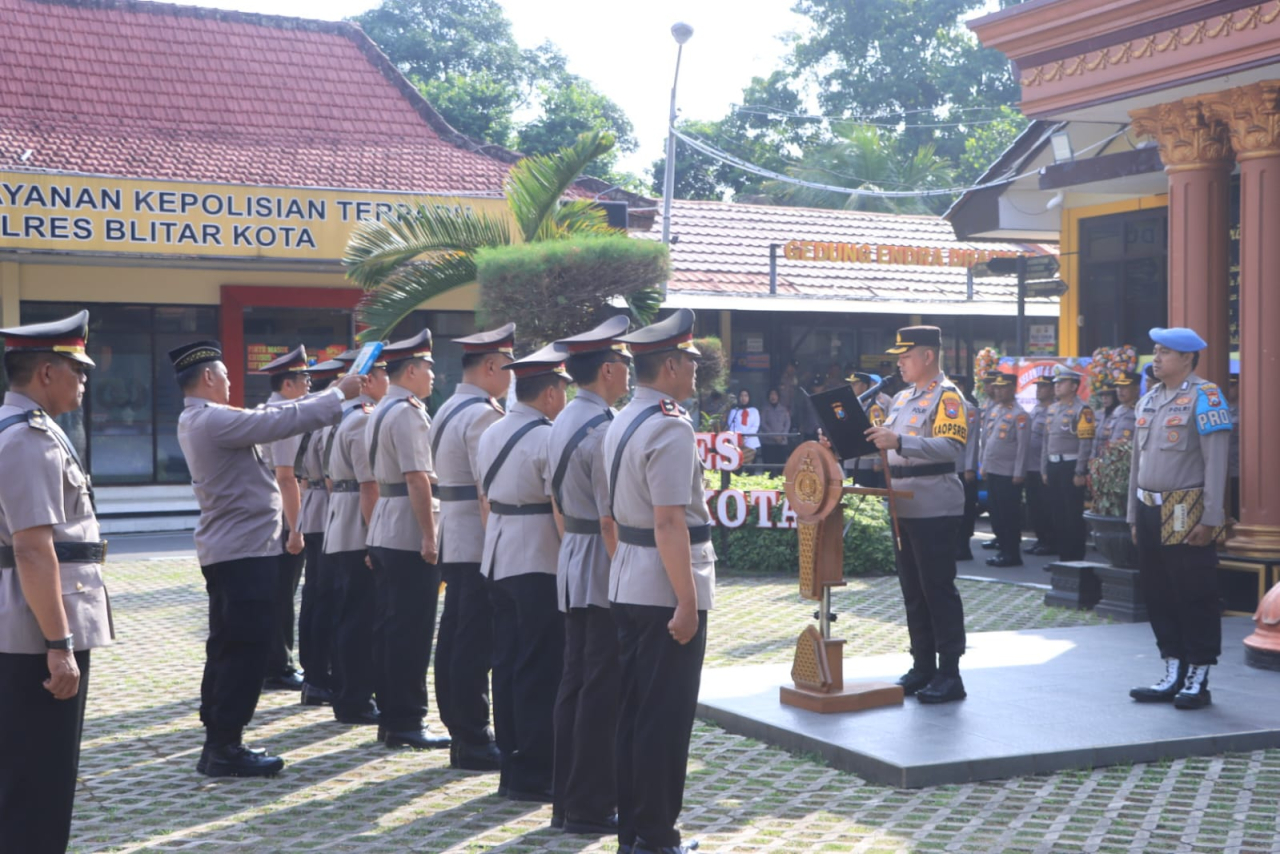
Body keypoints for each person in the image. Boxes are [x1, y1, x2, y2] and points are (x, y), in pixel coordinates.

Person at [172, 339, 362, 776]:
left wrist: (325, 396)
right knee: (244, 649)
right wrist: (337, 395)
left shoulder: (203, 418)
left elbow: (273, 415)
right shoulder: (211, 419)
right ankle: (225, 746)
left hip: (237, 549)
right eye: (224, 375)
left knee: (229, 645)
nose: (229, 382)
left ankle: (220, 738)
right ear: (208, 377)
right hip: (243, 552)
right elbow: (276, 419)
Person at [0, 310, 113, 853]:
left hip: (30, 624)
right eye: (78, 369)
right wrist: (59, 645)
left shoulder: (27, 429)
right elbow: (31, 548)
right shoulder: (28, 439)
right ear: (46, 372)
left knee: (27, 771)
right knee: (39, 778)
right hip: (35, 631)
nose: (85, 380)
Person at [605, 308, 713, 854]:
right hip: (664, 587)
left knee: (634, 714)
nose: (695, 370)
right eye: (689, 361)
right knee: (663, 720)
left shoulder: (623, 417)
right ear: (670, 366)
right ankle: (655, 836)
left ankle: (635, 832)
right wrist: (687, 603)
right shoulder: (669, 425)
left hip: (629, 578)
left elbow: (613, 516)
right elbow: (669, 522)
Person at [548, 316, 632, 835]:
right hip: (600, 562)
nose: (628, 371)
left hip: (574, 557)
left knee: (576, 683)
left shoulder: (564, 418)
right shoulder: (602, 429)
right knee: (600, 688)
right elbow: (609, 519)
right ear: (607, 369)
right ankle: (591, 806)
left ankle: (567, 800)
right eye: (624, 363)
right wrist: (624, 577)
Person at [478, 342, 572, 802]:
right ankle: (536, 771)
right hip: (538, 556)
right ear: (551, 393)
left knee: (507, 664)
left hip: (499, 553)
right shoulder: (548, 437)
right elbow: (558, 507)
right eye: (563, 390)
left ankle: (512, 767)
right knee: (539, 667)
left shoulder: (492, 430)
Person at [864, 325, 968, 704]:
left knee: (937, 588)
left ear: (928, 356)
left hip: (934, 503)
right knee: (912, 590)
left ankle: (950, 673)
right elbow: (885, 445)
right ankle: (922, 665)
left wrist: (901, 441)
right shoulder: (902, 398)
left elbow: (951, 445)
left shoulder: (947, 396)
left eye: (906, 356)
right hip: (902, 503)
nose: (900, 363)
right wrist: (842, 444)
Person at [1127, 328, 1229, 710]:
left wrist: (1212, 518)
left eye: (1165, 352)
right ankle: (1172, 669)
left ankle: (1197, 676)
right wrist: (1132, 516)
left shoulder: (1206, 396)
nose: (1156, 358)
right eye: (1155, 350)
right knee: (1158, 593)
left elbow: (1216, 462)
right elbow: (1137, 464)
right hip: (1148, 508)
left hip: (1185, 509)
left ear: (1187, 358)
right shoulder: (1149, 400)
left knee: (1194, 594)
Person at [429, 323, 513, 772]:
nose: (512, 377)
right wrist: (498, 550)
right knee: (474, 643)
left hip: (454, 534)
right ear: (491, 366)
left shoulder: (448, 407)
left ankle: (463, 732)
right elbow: (488, 492)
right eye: (508, 367)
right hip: (477, 539)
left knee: (456, 637)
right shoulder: (483, 415)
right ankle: (473, 735)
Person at [364, 329, 450, 751]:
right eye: (428, 368)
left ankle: (391, 717)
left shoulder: (381, 407)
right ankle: (407, 720)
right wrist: (430, 537)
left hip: (385, 524)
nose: (433, 376)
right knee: (411, 633)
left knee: (389, 629)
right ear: (411, 370)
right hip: (408, 530)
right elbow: (417, 479)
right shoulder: (409, 413)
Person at [322, 347, 387, 727]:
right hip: (356, 528)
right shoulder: (363, 419)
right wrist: (373, 538)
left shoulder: (344, 415)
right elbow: (369, 485)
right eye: (386, 374)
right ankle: (355, 700)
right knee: (360, 619)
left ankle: (347, 695)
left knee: (347, 615)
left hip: (341, 521)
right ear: (370, 380)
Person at [259, 345, 312, 692]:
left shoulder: (268, 410)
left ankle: (273, 663)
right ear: (288, 384)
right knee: (281, 594)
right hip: (281, 516)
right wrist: (296, 528)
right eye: (304, 379)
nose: (309, 385)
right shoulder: (284, 416)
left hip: (268, 514)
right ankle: (277, 666)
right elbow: (286, 476)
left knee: (276, 593)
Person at [295, 358, 345, 707]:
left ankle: (314, 676)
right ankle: (319, 676)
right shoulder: (330, 420)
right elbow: (330, 477)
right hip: (327, 508)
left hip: (314, 507)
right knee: (326, 597)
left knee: (315, 595)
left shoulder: (315, 418)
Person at [1039, 369, 1095, 562]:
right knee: (1057, 513)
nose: (1057, 386)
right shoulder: (1053, 408)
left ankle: (1075, 558)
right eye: (1056, 383)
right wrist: (1044, 468)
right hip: (1053, 465)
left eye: (1061, 383)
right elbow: (1046, 441)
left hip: (1070, 466)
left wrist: (1080, 470)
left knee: (1072, 515)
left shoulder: (1082, 409)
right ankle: (1063, 557)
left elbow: (1085, 443)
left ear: (1073, 386)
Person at [980, 372, 1029, 567]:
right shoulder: (995, 410)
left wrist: (1019, 472)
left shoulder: (1020, 414)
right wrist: (984, 465)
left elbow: (1023, 447)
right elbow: (987, 441)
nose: (998, 391)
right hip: (993, 469)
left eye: (1002, 388)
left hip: (1008, 473)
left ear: (1012, 389)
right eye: (997, 388)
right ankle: (1002, 549)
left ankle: (1012, 554)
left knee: (1009, 515)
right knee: (996, 513)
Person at [1024, 376, 1057, 556]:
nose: (1039, 390)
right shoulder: (1035, 410)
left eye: (1043, 387)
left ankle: (1050, 541)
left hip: (1043, 467)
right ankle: (1040, 539)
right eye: (1038, 386)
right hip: (1030, 466)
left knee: (1047, 507)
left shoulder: (1054, 410)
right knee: (1034, 507)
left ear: (1052, 390)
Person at [951, 375, 980, 562]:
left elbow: (972, 441)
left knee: (965, 508)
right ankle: (953, 545)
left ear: (961, 387)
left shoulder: (969, 410)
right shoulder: (946, 408)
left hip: (963, 468)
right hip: (949, 466)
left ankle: (963, 547)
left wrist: (970, 467)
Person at [847, 371, 887, 488]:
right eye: (851, 384)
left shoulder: (873, 406)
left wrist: (878, 462)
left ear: (865, 386)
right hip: (851, 461)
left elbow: (879, 432)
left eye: (855, 384)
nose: (851, 387)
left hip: (866, 464)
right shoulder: (851, 404)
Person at [1093, 372, 1139, 459]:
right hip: (1111, 460)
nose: (1120, 390)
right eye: (1118, 387)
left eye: (1125, 387)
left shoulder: (1139, 411)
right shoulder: (1117, 410)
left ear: (1136, 389)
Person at [725, 389, 761, 469]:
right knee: (737, 465)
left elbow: (755, 426)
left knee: (750, 467)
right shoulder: (734, 411)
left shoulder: (754, 411)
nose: (743, 398)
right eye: (741, 396)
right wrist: (739, 437)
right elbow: (732, 426)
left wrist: (745, 436)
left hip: (751, 441)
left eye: (746, 396)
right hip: (737, 442)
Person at [758, 387, 791, 471]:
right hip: (768, 442)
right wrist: (774, 436)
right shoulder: (765, 409)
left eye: (775, 394)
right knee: (769, 468)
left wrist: (782, 435)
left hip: (781, 442)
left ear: (778, 396)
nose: (773, 396)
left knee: (781, 467)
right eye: (771, 394)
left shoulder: (784, 409)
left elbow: (787, 423)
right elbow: (762, 423)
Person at [1227, 373, 1240, 520]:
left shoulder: (1248, 410)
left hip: (1239, 472)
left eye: (1232, 385)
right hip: (1224, 471)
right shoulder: (1220, 409)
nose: (1229, 389)